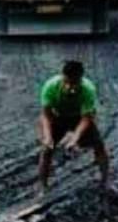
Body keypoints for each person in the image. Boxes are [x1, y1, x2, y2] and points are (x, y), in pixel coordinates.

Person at [37, 60, 111, 196]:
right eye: (68, 83)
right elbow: (46, 114)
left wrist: (75, 138)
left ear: (80, 79)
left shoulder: (88, 89)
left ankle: (105, 180)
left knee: (99, 145)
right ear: (63, 77)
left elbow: (87, 117)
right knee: (46, 150)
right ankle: (43, 186)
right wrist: (47, 137)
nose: (71, 87)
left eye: (74, 83)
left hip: (78, 117)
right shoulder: (50, 86)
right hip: (57, 116)